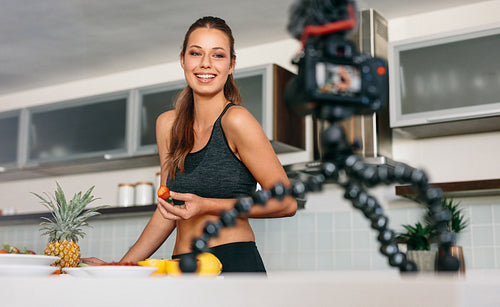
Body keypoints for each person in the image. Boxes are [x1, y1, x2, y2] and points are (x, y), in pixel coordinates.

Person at [82, 16, 297, 273]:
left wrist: (208, 205)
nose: (205, 63)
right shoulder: (167, 125)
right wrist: (118, 267)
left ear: (231, 65)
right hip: (181, 265)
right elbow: (167, 211)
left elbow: (287, 203)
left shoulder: (236, 120)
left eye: (218, 55)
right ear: (183, 59)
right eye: (196, 53)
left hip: (233, 262)